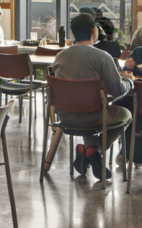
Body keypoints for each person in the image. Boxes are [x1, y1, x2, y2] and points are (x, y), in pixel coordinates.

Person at [49, 13, 130, 180]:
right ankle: (95, 150)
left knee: (87, 105)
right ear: (94, 30)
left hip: (64, 116)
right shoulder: (102, 57)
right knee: (128, 114)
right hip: (93, 117)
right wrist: (129, 80)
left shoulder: (60, 57)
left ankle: (89, 149)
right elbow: (118, 90)